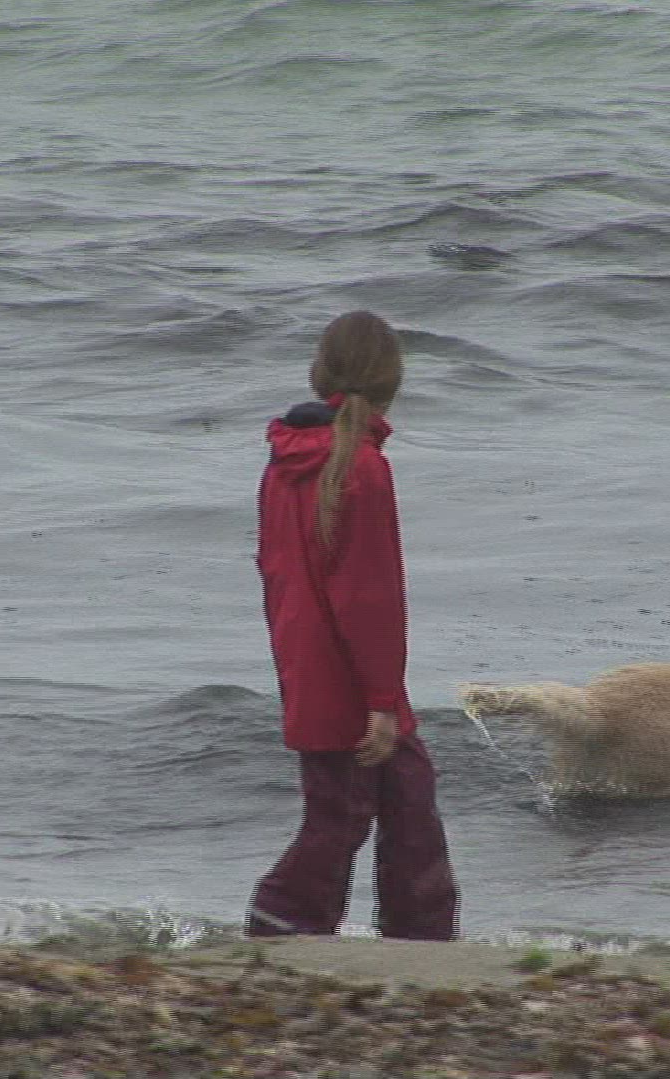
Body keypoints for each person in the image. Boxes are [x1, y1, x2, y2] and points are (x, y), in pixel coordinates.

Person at [247, 310, 460, 941]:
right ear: (394, 381)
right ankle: (280, 922)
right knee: (342, 809)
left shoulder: (286, 460)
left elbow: (275, 570)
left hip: (305, 655)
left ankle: (419, 934)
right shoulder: (361, 466)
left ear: (321, 373)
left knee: (404, 792)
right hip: (346, 670)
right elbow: (369, 597)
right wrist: (382, 702)